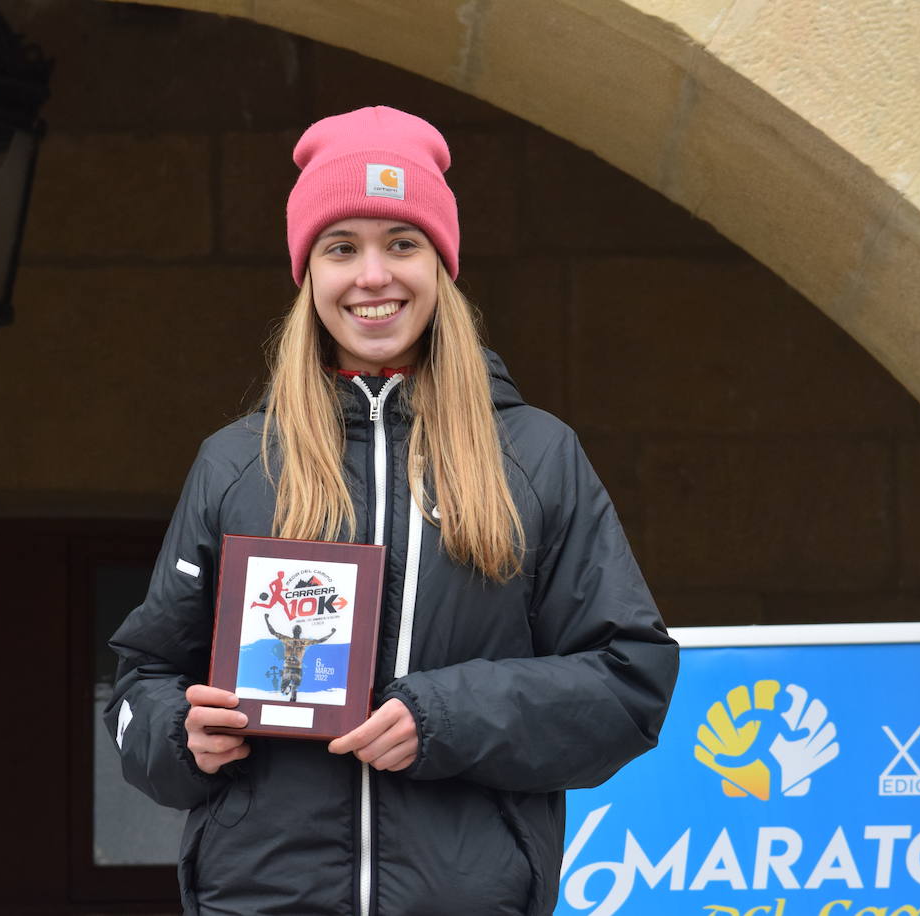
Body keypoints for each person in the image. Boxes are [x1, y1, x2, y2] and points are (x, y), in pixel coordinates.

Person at [105, 106, 678, 916]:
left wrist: (441, 717)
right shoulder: (236, 463)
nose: (373, 277)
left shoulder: (538, 457)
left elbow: (629, 682)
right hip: (263, 899)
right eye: (342, 248)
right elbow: (140, 683)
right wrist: (179, 736)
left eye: (401, 243)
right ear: (310, 275)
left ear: (441, 265)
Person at [263, 614, 336, 702]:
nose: (297, 630)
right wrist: (332, 633)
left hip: (291, 668)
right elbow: (320, 640)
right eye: (296, 629)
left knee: (289, 692)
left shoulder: (289, 640)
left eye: (297, 629)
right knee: (291, 692)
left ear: (294, 631)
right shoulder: (299, 641)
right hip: (293, 668)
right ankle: (291, 689)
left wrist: (266, 619)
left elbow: (272, 632)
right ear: (298, 632)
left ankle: (291, 692)